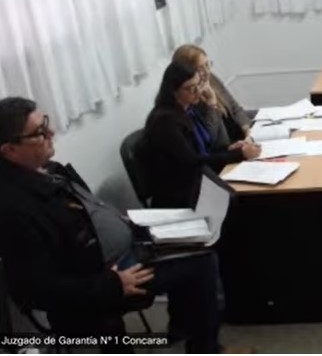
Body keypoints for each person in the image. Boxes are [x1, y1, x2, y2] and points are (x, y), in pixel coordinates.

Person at [0, 97, 224, 352]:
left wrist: (126, 223)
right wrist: (113, 285)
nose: (51, 133)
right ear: (10, 150)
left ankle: (183, 330)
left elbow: (88, 211)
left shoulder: (49, 169)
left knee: (200, 242)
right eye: (39, 132)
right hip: (106, 280)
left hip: (127, 247)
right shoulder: (14, 210)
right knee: (201, 262)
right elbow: (35, 289)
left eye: (46, 123)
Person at [142, 62, 260, 208]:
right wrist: (238, 154)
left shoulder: (190, 110)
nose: (198, 91)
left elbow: (204, 150)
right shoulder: (165, 121)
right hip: (182, 194)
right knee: (252, 201)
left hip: (199, 180)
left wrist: (229, 149)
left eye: (199, 84)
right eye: (191, 88)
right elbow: (193, 162)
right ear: (173, 91)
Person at [172, 44, 252, 144]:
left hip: (242, 138)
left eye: (207, 64)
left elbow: (235, 108)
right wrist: (211, 103)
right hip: (228, 147)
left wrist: (247, 132)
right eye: (200, 69)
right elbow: (210, 139)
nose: (207, 72)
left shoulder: (211, 79)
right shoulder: (189, 97)